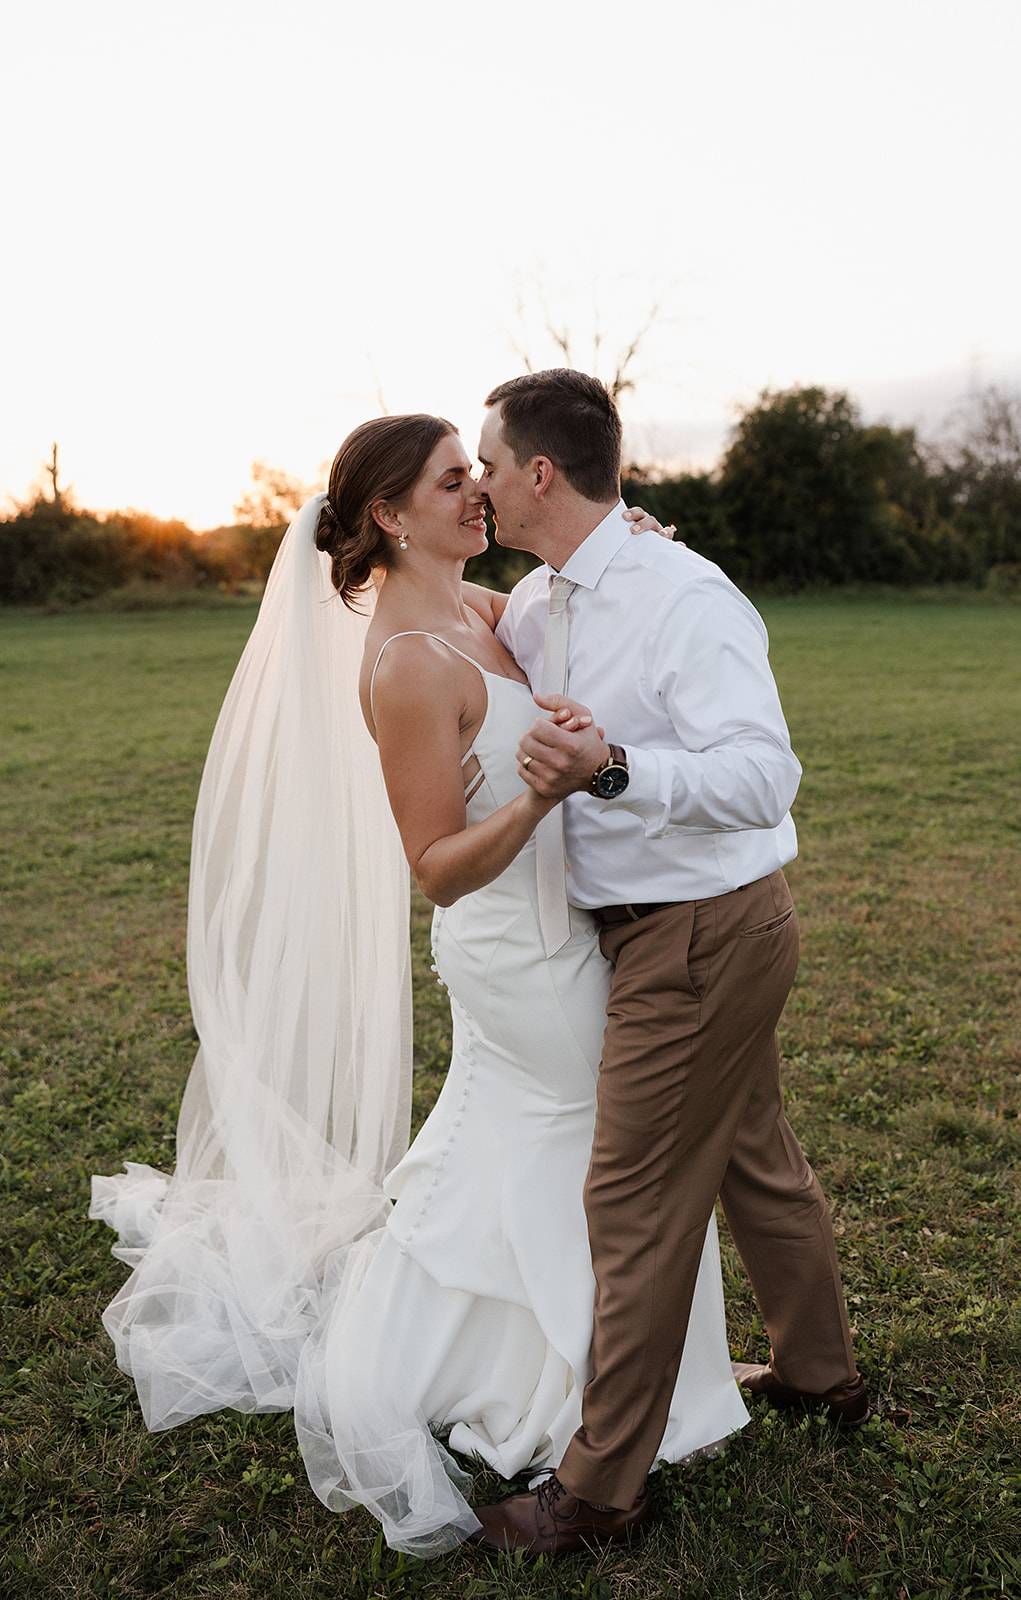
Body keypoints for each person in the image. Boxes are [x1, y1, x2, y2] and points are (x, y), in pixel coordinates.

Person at [91, 412, 748, 1558]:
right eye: (453, 481)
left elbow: (560, 603)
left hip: (566, 937)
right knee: (592, 1152)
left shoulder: (476, 610)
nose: (477, 493)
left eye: (476, 473)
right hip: (518, 955)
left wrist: (624, 538)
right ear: (391, 514)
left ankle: (567, 1371)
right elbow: (437, 870)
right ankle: (602, 1397)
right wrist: (537, 799)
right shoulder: (403, 664)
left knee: (547, 1151)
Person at [469, 369, 868, 1557]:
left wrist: (615, 768)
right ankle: (820, 1376)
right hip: (673, 932)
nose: (481, 483)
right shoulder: (536, 602)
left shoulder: (686, 596)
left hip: (695, 931)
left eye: (488, 462)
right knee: (752, 1154)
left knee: (632, 1200)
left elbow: (763, 774)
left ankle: (599, 1492)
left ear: (539, 472)